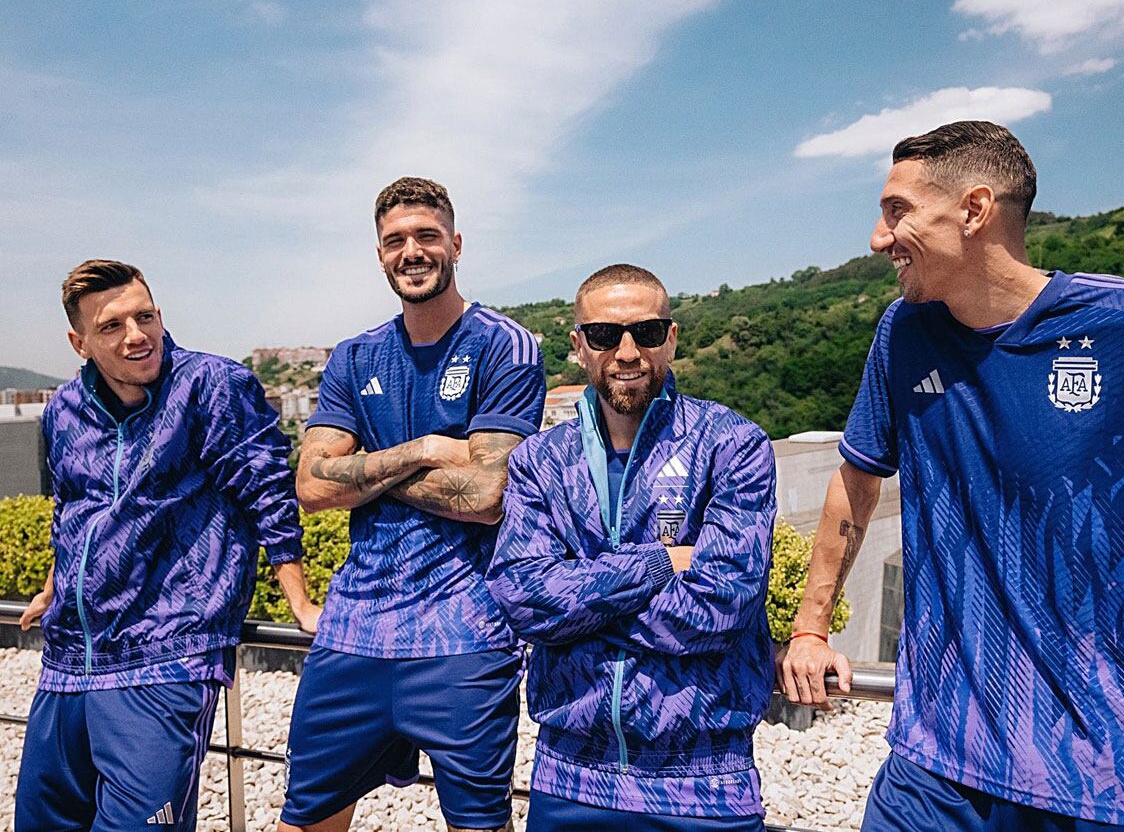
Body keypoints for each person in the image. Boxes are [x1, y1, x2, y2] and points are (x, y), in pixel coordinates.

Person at [779, 121, 1124, 831]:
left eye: (897, 210)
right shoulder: (904, 334)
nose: (878, 236)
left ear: (974, 208)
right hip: (935, 769)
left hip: (1114, 774)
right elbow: (857, 478)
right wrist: (809, 628)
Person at [277, 177, 545, 832]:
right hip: (353, 633)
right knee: (305, 821)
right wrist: (426, 447)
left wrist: (364, 464)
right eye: (396, 240)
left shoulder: (504, 345)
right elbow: (310, 487)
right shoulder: (355, 354)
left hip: (465, 636)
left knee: (478, 827)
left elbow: (488, 495)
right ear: (380, 254)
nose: (412, 250)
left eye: (427, 235)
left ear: (454, 243)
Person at [15, 259, 319, 832]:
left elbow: (268, 492)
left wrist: (299, 601)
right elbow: (72, 508)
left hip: (165, 657)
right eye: (112, 326)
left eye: (145, 316)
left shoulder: (211, 386)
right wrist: (56, 586)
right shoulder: (63, 410)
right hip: (67, 663)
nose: (136, 335)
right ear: (79, 342)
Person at [487, 264, 776, 831]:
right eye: (603, 335)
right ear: (577, 346)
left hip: (705, 782)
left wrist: (576, 602)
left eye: (645, 332)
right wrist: (660, 562)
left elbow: (720, 607)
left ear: (670, 337)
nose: (626, 351)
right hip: (568, 777)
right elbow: (522, 598)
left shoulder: (731, 444)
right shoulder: (539, 462)